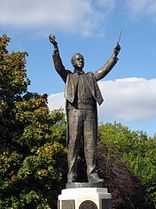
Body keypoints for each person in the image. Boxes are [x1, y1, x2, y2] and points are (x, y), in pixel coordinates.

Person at [49, 34, 121, 184]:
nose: (81, 61)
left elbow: (104, 70)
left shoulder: (90, 76)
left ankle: (92, 173)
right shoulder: (68, 76)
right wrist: (55, 48)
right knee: (73, 143)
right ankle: (71, 174)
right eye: (78, 59)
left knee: (90, 143)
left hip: (90, 112)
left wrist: (113, 56)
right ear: (73, 62)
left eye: (82, 59)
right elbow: (58, 67)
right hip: (74, 110)